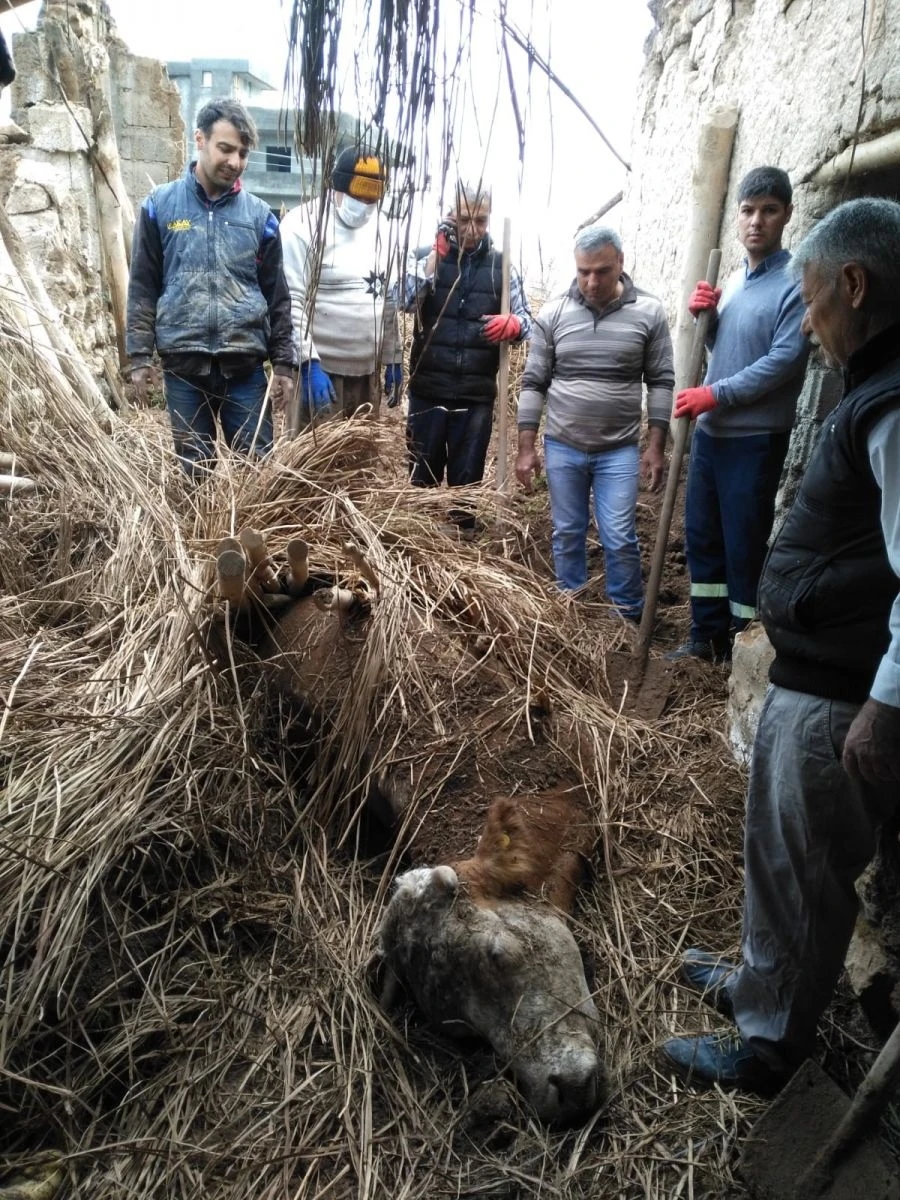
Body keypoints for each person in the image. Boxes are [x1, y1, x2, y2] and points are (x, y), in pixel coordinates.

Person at [662, 197, 900, 1091]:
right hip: (822, 670)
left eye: (811, 298)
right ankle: (759, 979)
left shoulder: (893, 406)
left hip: (845, 691)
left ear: (854, 284)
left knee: (805, 868)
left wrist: (885, 704)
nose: (806, 319)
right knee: (779, 853)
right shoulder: (874, 389)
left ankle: (769, 1049)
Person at [668, 166, 810, 662]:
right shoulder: (732, 280)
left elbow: (784, 361)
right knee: (703, 535)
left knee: (742, 540)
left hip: (753, 439)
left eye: (769, 211)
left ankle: (740, 641)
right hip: (712, 436)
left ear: (786, 215)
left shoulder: (795, 283)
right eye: (748, 211)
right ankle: (704, 635)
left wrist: (715, 395)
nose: (757, 221)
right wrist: (705, 320)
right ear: (736, 217)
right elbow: (725, 350)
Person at [126, 98, 294, 480]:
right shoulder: (160, 207)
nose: (235, 161)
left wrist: (283, 361)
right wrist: (138, 355)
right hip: (184, 368)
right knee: (194, 476)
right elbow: (142, 285)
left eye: (243, 153)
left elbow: (277, 295)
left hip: (246, 369)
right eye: (226, 148)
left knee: (257, 473)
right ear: (199, 139)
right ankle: (203, 540)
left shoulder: (260, 217)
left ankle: (253, 540)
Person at [515, 226, 674, 621]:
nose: (591, 281)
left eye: (601, 271)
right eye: (583, 270)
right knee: (567, 531)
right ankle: (570, 603)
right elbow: (534, 382)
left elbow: (660, 381)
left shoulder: (649, 314)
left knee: (619, 535)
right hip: (563, 445)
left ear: (621, 263)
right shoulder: (553, 314)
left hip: (618, 449)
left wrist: (655, 446)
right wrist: (525, 447)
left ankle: (626, 611)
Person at [396, 182, 533, 534]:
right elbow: (406, 302)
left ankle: (463, 541)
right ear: (449, 217)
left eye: (481, 221)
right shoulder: (427, 256)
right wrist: (435, 259)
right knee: (421, 477)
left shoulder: (502, 267)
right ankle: (418, 541)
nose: (472, 230)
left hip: (476, 394)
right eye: (464, 220)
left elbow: (528, 322)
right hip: (429, 388)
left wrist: (514, 324)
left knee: (466, 483)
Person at [280, 146, 402, 423]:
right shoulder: (302, 225)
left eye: (372, 199)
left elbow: (388, 298)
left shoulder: (383, 228)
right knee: (315, 462)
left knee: (360, 462)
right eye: (358, 196)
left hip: (367, 375)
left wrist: (392, 356)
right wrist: (308, 363)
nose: (364, 205)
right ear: (337, 185)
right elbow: (291, 301)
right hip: (320, 375)